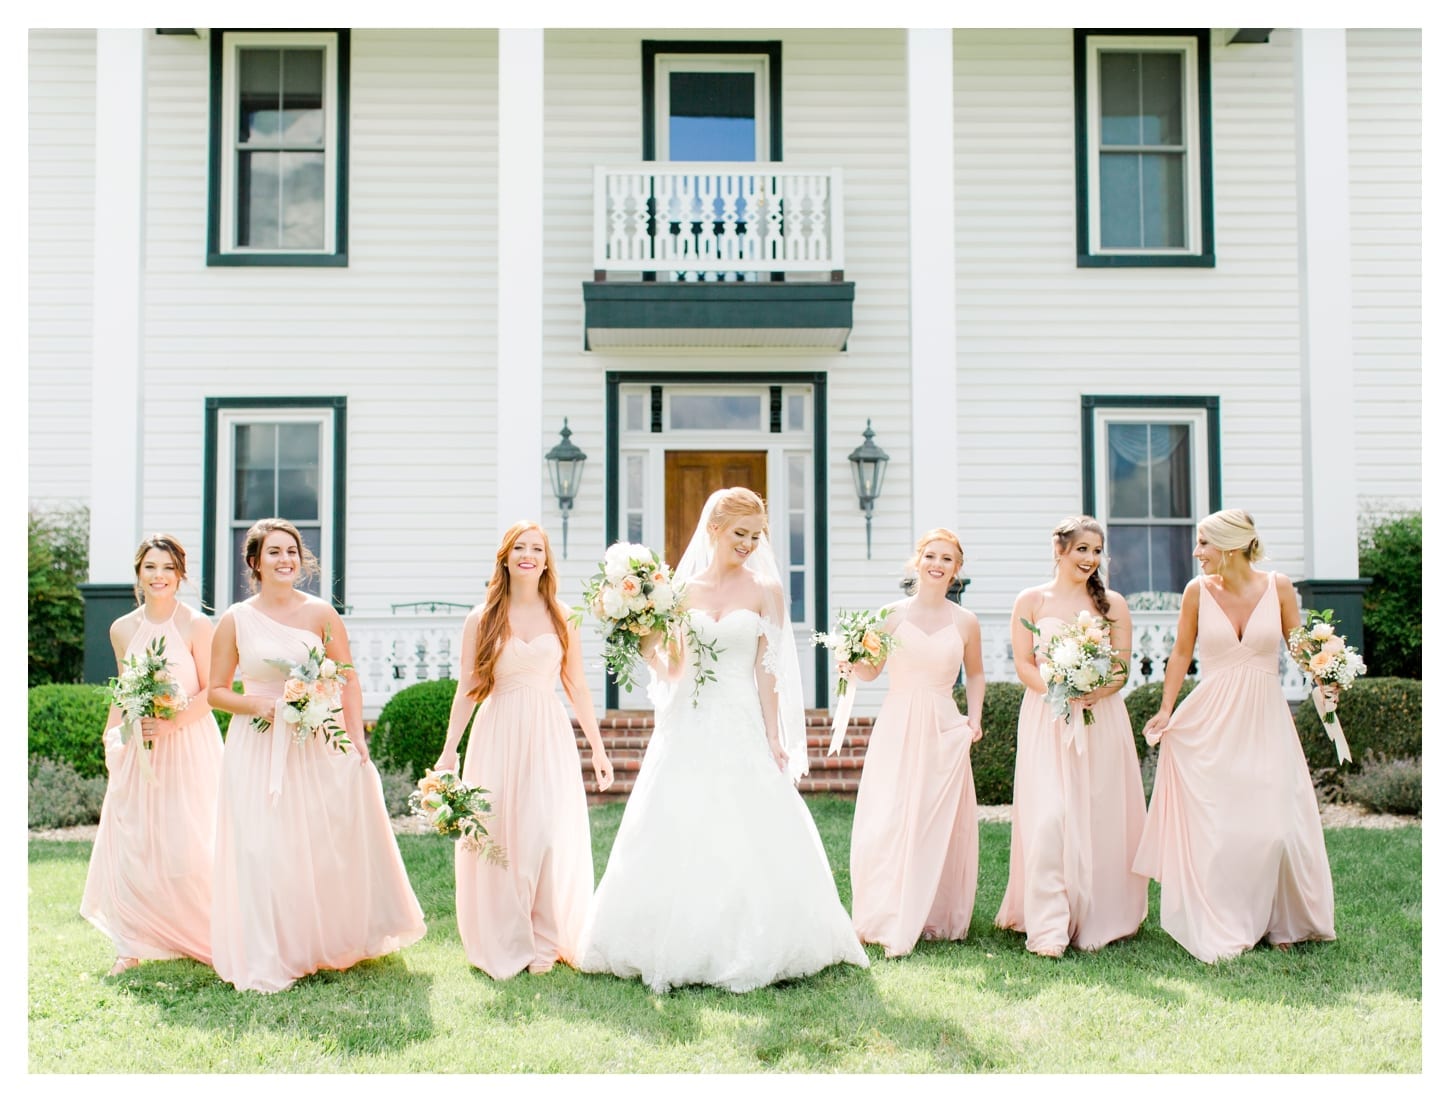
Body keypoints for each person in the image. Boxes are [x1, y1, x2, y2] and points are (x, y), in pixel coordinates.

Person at [578, 487, 868, 993]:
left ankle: (753, 939)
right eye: (740, 534)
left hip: (738, 719)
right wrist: (644, 642)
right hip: (686, 722)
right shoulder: (677, 592)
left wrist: (774, 735)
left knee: (746, 824)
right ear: (713, 529)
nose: (748, 544)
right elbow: (672, 669)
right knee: (677, 820)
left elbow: (767, 670)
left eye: (756, 536)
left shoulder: (766, 590)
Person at [207, 517, 425, 992]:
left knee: (315, 846)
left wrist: (356, 739)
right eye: (274, 553)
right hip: (258, 741)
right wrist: (256, 703)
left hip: (315, 739)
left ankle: (318, 941)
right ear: (254, 563)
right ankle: (270, 949)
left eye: (292, 552)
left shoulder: (321, 613)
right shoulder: (235, 619)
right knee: (262, 846)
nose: (285, 560)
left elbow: (346, 678)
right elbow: (215, 692)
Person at [1134, 509, 1335, 962]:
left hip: (1265, 716)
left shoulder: (1278, 586)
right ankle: (1228, 916)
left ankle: (1281, 918)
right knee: (1222, 825)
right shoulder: (1197, 591)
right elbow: (1181, 653)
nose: (1195, 552)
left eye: (1203, 543)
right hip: (1213, 717)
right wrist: (1167, 710)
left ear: (1229, 546)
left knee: (1276, 825)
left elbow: (1298, 645)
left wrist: (1326, 672)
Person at [433, 521, 615, 979]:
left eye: (537, 547)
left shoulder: (562, 616)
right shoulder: (482, 617)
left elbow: (577, 687)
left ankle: (545, 938)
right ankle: (505, 933)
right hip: (497, 730)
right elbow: (469, 686)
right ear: (506, 557)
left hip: (547, 730)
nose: (528, 554)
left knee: (543, 831)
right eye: (520, 547)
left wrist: (598, 748)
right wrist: (449, 750)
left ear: (547, 560)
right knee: (500, 833)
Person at [994, 516, 1148, 957]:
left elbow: (1120, 669)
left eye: (1097, 551)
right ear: (1059, 550)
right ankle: (1048, 927)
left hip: (1100, 720)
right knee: (1050, 817)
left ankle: (1097, 912)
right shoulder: (1031, 600)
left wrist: (1089, 692)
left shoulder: (1113, 603)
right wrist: (1059, 689)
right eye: (1083, 549)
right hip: (1046, 718)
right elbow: (1024, 663)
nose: (1091, 559)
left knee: (1096, 816)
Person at [80, 535, 225, 976]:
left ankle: (206, 931)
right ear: (138, 574)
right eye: (150, 567)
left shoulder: (198, 627)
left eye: (167, 567)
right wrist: (113, 737)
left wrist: (171, 722)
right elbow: (124, 690)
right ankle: (131, 942)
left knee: (191, 838)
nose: (158, 576)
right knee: (134, 839)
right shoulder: (122, 629)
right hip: (140, 748)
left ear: (180, 574)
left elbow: (213, 694)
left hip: (188, 745)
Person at [844, 528, 985, 956]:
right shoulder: (890, 614)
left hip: (944, 724)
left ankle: (932, 912)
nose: (937, 564)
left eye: (946, 559)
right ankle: (885, 910)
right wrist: (848, 661)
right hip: (898, 722)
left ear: (956, 569)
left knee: (934, 816)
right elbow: (871, 671)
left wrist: (973, 720)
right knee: (890, 813)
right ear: (917, 561)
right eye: (930, 555)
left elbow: (976, 674)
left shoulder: (966, 622)